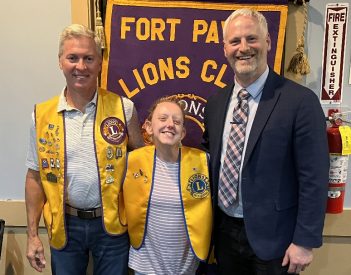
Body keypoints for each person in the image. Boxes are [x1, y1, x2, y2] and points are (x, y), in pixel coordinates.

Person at [202, 8, 329, 275]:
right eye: (235, 41)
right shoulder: (215, 104)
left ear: (268, 42)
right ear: (224, 48)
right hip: (223, 235)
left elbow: (314, 177)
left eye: (252, 39)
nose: (243, 48)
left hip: (277, 242)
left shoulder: (300, 102)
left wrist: (305, 241)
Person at [25, 24, 144, 274]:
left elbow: (142, 164)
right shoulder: (41, 115)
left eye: (89, 58)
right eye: (73, 58)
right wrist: (33, 235)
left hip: (112, 226)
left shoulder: (124, 108)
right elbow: (35, 176)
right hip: (64, 226)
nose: (81, 66)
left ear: (100, 62)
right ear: (60, 62)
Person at [122, 97, 213, 274]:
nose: (170, 124)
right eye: (163, 119)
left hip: (186, 266)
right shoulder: (131, 161)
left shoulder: (202, 162)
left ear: (183, 132)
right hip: (145, 266)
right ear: (149, 127)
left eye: (177, 121)